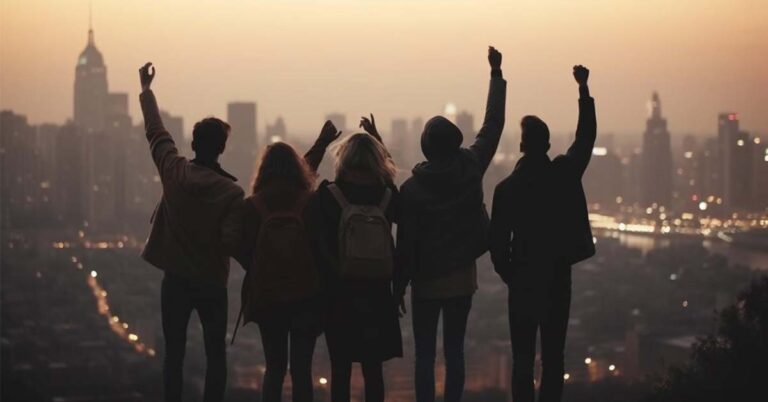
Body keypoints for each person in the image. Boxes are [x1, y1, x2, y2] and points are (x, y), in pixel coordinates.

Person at [394, 46, 506, 402]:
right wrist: (495, 74)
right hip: (461, 279)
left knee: (424, 356)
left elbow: (406, 242)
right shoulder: (471, 167)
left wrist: (398, 287)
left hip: (425, 283)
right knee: (454, 352)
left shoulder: (412, 189)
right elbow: (493, 125)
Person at [137, 63, 244, 402]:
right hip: (212, 282)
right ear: (221, 149)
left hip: (176, 281)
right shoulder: (231, 193)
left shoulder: (173, 171)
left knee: (174, 355)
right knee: (216, 356)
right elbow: (229, 241)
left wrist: (146, 89)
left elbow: (156, 132)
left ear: (193, 143)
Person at [489, 65, 596, 402]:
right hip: (556, 277)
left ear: (521, 146)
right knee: (553, 358)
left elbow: (495, 247)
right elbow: (585, 138)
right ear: (548, 144)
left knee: (522, 360)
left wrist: (512, 275)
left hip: (522, 279)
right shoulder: (563, 174)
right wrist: (583, 90)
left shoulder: (507, 189)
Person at [234, 121, 342, 402]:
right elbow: (320, 244)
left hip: (268, 297)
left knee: (275, 368)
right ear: (296, 169)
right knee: (301, 370)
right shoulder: (309, 202)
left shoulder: (253, 205)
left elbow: (240, 247)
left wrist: (259, 265)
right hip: (306, 295)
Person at [306, 128, 401, 402]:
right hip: (378, 291)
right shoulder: (386, 197)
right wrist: (381, 142)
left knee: (341, 368)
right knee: (374, 370)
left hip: (339, 292)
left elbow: (315, 240)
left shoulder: (328, 197)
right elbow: (400, 199)